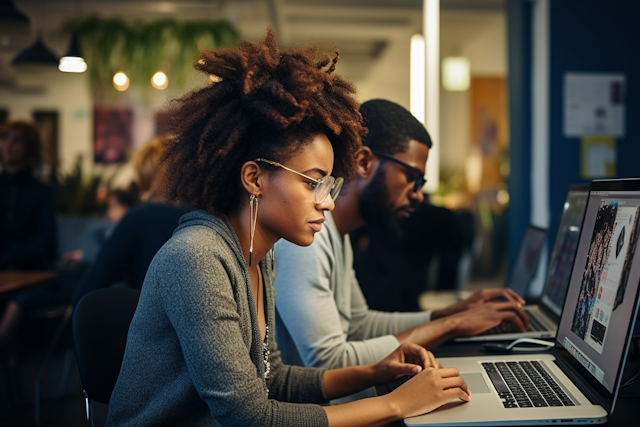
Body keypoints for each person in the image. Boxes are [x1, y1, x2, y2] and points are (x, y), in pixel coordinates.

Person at [105, 29, 470, 427]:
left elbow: (273, 379)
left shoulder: (259, 255)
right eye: (313, 182)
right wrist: (396, 404)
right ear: (254, 178)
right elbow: (250, 417)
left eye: (329, 186)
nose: (327, 202)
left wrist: (377, 371)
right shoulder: (197, 258)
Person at [273, 99, 529, 374]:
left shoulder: (337, 233)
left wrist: (452, 314)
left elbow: (359, 325)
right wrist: (452, 325)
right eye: (412, 177)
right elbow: (328, 361)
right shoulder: (307, 237)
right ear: (364, 162)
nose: (418, 194)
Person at [71, 136, 188, 305]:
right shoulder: (199, 216)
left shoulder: (137, 219)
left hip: (147, 323)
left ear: (143, 175)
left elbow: (99, 275)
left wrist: (73, 319)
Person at [0, 120, 57, 348]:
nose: (9, 144)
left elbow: (46, 242)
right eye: (5, 138)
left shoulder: (41, 192)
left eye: (17, 140)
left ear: (28, 148)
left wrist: (10, 258)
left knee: (17, 301)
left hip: (32, 274)